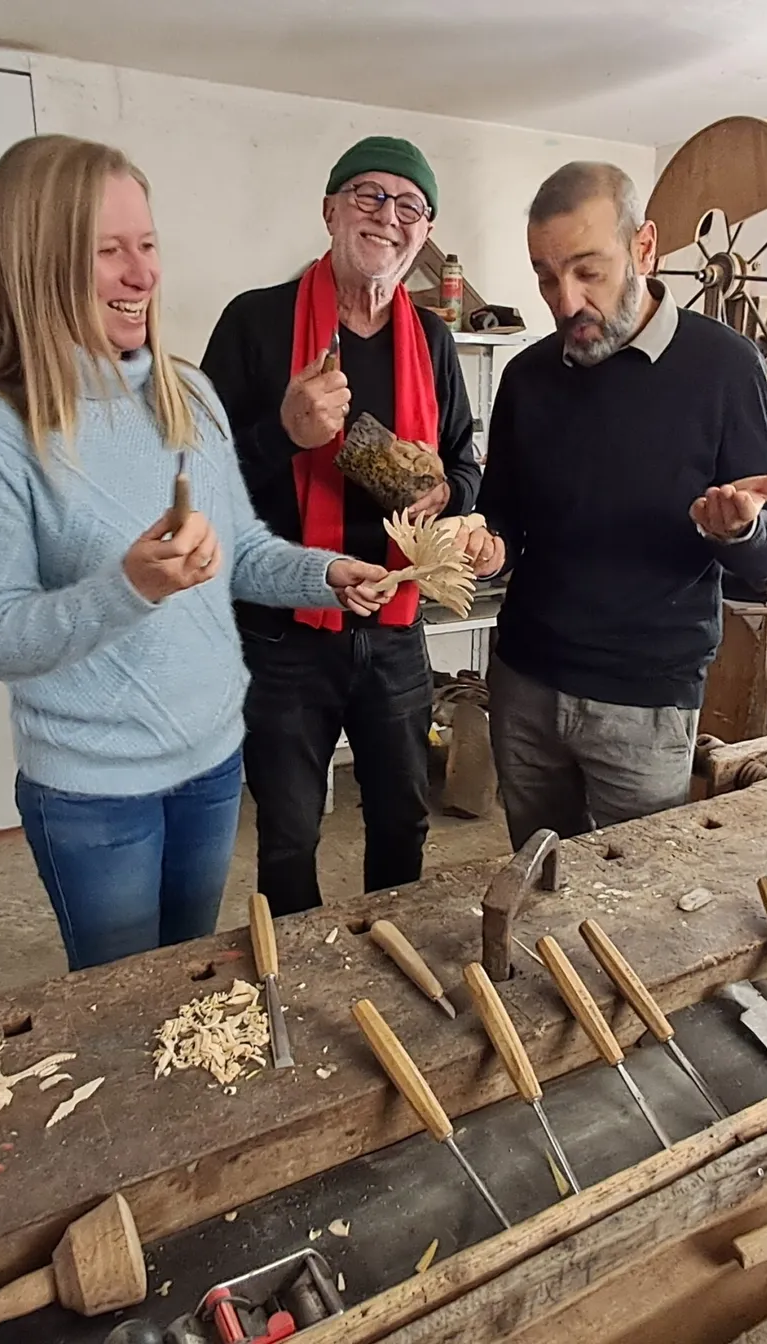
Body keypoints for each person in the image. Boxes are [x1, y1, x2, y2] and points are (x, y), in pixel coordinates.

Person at [0, 135, 391, 971]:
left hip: (212, 762)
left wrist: (324, 574)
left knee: (187, 980)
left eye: (147, 245)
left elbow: (240, 553)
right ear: (37, 259)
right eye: (108, 251)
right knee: (120, 1005)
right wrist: (129, 588)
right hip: (92, 790)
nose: (142, 274)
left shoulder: (188, 394)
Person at [469, 161, 767, 849]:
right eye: (545, 277)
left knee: (639, 888)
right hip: (525, 682)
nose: (566, 301)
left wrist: (737, 530)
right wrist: (488, 547)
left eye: (588, 271)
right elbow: (502, 517)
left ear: (644, 247)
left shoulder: (725, 367)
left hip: (645, 702)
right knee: (538, 878)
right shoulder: (526, 377)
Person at [202, 136, 482, 915]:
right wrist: (283, 434)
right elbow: (195, 479)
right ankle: (295, 972)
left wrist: (444, 491)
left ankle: (389, 954)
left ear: (425, 233)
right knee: (290, 834)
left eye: (409, 205)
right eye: (368, 195)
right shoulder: (255, 323)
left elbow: (465, 462)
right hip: (282, 633)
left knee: (402, 818)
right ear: (329, 211)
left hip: (395, 627)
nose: (388, 215)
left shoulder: (433, 340)